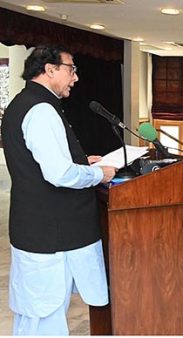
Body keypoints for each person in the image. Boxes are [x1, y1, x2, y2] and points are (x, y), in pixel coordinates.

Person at [1, 45, 117, 335]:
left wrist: (81, 161)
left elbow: (41, 162)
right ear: (49, 70)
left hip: (39, 229)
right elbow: (59, 174)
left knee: (36, 315)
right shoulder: (41, 110)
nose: (75, 78)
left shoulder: (24, 102)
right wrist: (96, 173)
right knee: (44, 317)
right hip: (51, 235)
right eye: (71, 69)